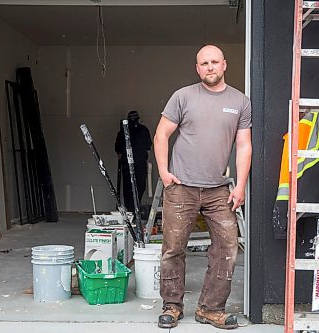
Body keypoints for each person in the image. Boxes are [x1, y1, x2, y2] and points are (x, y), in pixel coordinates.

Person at [153, 45, 252, 330]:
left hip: (218, 190)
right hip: (181, 187)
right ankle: (172, 307)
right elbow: (162, 134)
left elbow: (244, 145)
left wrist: (241, 185)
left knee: (227, 248)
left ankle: (210, 309)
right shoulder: (182, 96)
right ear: (197, 68)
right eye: (204, 63)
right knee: (173, 248)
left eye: (214, 62)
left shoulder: (240, 101)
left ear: (224, 65)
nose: (210, 67)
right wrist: (164, 172)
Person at [115, 111, 152, 212]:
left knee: (127, 186)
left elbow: (118, 150)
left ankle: (130, 209)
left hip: (126, 163)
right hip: (140, 161)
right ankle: (136, 208)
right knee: (140, 185)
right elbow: (148, 146)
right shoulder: (143, 130)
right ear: (138, 119)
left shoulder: (123, 131)